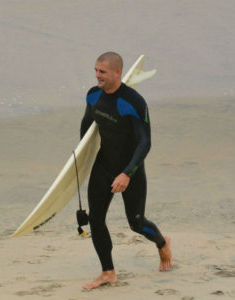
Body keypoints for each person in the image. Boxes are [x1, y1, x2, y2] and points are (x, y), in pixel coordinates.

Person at [80, 52, 173, 290]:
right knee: (95, 219)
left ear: (117, 72)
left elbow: (145, 142)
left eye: (102, 71)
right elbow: (87, 129)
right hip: (103, 166)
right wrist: (81, 161)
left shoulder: (134, 102)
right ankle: (108, 272)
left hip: (130, 169)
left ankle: (162, 243)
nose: (97, 75)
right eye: (96, 70)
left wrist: (127, 174)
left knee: (136, 223)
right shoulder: (93, 96)